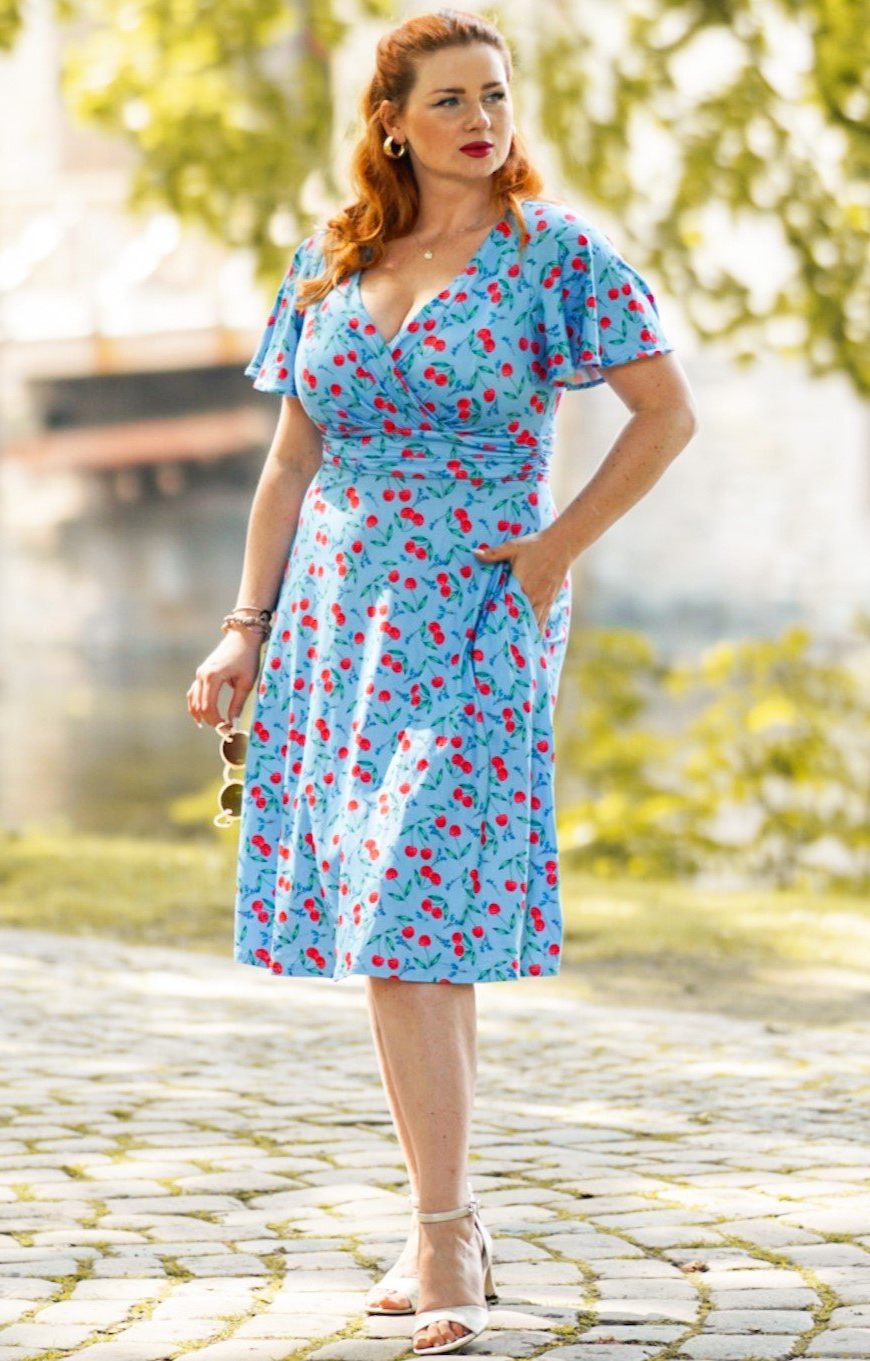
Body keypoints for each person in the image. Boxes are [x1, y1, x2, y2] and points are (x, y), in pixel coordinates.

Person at [186, 7, 697, 1354]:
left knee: (414, 901)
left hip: (478, 611)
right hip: (340, 620)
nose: (483, 119)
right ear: (393, 122)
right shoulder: (332, 259)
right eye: (453, 99)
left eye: (497, 95)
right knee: (395, 930)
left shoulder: (553, 260)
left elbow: (665, 414)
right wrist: (246, 625)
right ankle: (447, 1220)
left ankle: (441, 1239)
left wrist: (548, 557)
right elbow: (291, 464)